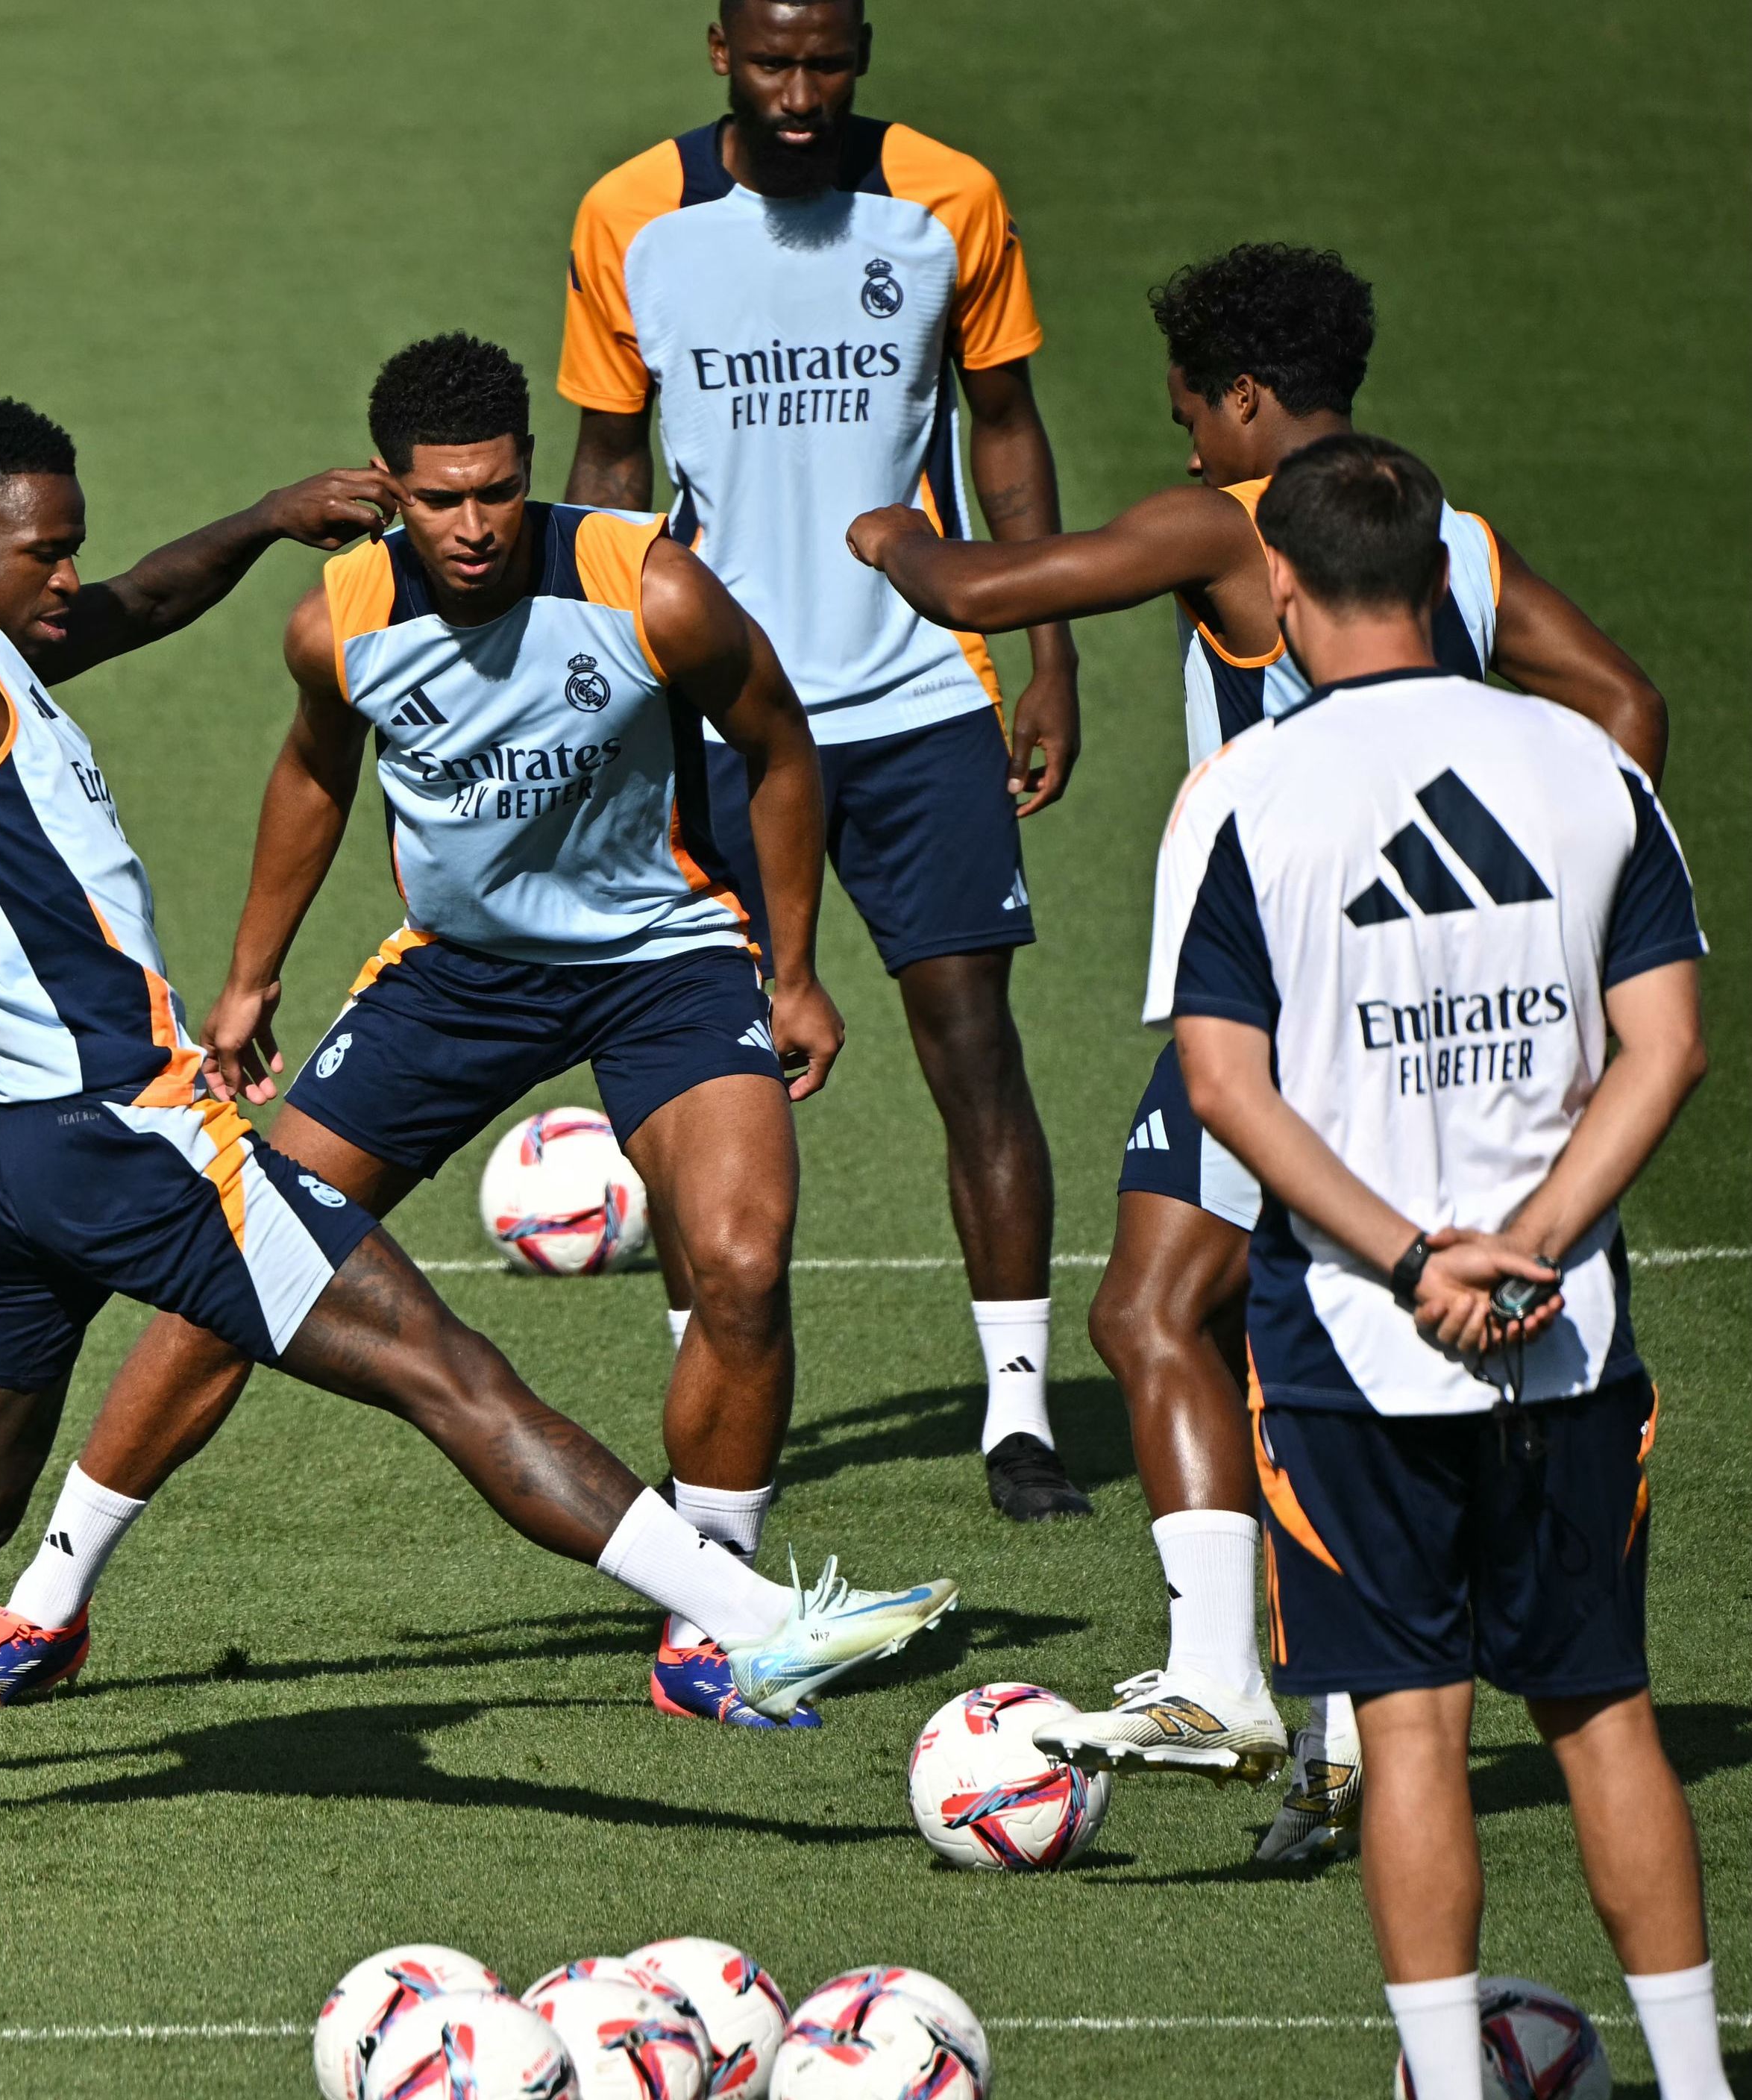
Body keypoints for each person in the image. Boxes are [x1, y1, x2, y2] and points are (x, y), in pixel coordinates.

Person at [0, 398, 955, 1836]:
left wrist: (258, 522)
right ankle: (754, 1617)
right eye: (43, 551)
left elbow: (138, 604)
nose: (70, 579)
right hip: (130, 1135)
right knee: (447, 1370)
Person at [850, 244, 1665, 1856]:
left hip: (1281, 995)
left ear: (1242, 396)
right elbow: (1627, 709)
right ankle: (1348, 1728)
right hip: (1440, 1010)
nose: (1184, 446)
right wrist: (1560, 904)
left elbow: (977, 595)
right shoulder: (1444, 535)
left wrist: (877, 522)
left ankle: (1227, 1677)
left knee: (1151, 1310)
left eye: (1187, 413)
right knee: (1253, 1329)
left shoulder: (1237, 523)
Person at [0, 334, 851, 1729]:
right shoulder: (340, 619)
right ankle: (49, 1602)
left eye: (494, 493)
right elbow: (313, 774)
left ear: (526, 472)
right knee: (234, 1257)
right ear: (392, 491)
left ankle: (715, 1610)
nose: (472, 527)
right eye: (438, 500)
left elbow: (779, 745)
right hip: (457, 977)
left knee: (740, 1256)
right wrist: (250, 979)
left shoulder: (648, 586)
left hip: (663, 961)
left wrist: (796, 968)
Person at [1152, 433, 1721, 2100]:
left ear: (1281, 591)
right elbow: (1666, 1046)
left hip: (1352, 1337)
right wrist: (1531, 1244)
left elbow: (1223, 1083)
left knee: (1410, 1723)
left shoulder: (1242, 794)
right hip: (1564, 1334)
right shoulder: (1586, 765)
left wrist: (1410, 1258)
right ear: (1444, 585)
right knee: (1602, 1706)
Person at [558, 0, 1085, 1519]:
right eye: (773, 63)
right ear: (716, 49)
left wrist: (1048, 655)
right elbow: (603, 466)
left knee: (969, 1036)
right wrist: (600, 692)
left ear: (863, 51)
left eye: (829, 63)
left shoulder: (947, 197)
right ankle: (702, 1383)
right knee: (697, 1055)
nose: (801, 95)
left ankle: (1018, 1412)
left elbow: (1005, 429)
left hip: (922, 687)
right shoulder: (631, 217)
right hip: (719, 698)